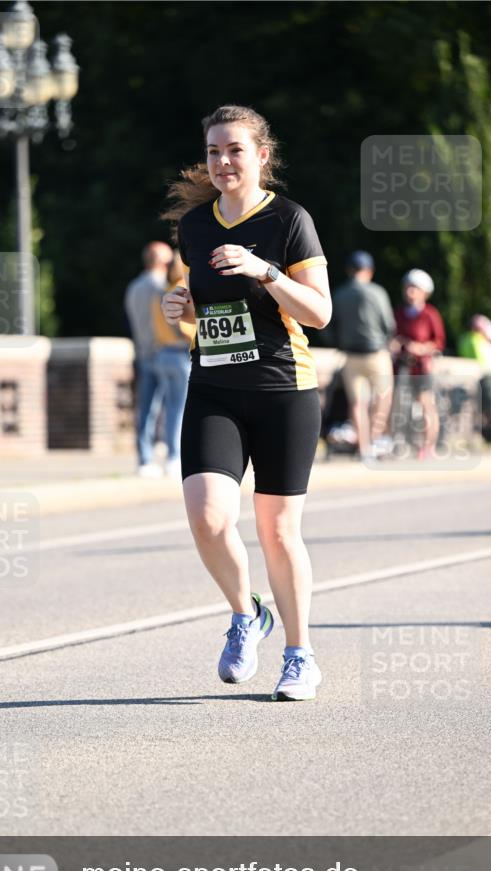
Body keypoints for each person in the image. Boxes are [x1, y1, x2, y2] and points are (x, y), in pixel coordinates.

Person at [161, 104, 331, 701]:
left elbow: (319, 312)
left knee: (278, 532)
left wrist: (265, 271)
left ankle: (299, 653)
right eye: (213, 151)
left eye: (234, 149)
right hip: (213, 389)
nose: (222, 161)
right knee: (208, 518)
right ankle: (245, 614)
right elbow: (207, 304)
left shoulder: (289, 220)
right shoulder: (196, 225)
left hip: (284, 391)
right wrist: (179, 308)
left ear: (261, 155)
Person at [332, 250, 395, 460]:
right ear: (369, 271)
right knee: (383, 397)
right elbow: (389, 325)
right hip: (376, 353)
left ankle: (364, 447)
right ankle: (376, 438)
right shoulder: (377, 292)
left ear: (350, 270)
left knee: (358, 403)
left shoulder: (340, 294)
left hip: (351, 355)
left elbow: (328, 327)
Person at [124, 241, 174, 477]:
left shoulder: (133, 287)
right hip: (165, 351)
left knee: (146, 409)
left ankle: (144, 458)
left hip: (143, 353)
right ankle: (172, 456)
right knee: (173, 407)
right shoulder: (161, 288)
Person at [391, 269, 446, 460]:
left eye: (414, 288)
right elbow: (393, 336)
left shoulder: (430, 314)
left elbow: (438, 342)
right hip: (402, 368)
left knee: (426, 405)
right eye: (408, 287)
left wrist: (421, 349)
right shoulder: (399, 313)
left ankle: (428, 446)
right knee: (397, 405)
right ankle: (398, 443)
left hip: (422, 367)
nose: (410, 292)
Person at [151, 252, 195, 478]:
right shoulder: (182, 289)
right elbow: (186, 328)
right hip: (179, 355)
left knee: (168, 409)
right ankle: (175, 457)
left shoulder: (161, 293)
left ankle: (169, 454)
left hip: (162, 354)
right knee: (180, 411)